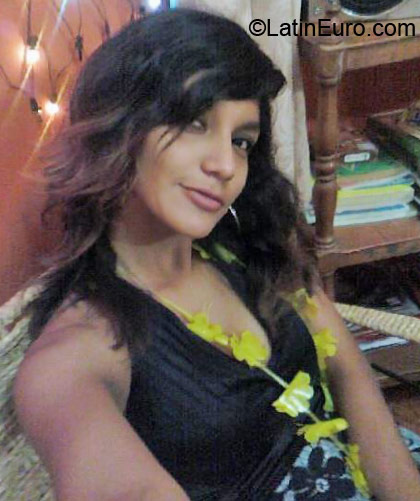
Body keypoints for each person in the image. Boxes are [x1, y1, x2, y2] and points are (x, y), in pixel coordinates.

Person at [12, 8, 420, 501]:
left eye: (241, 141)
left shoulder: (250, 246)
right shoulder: (77, 351)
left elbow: (348, 370)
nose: (226, 164)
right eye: (193, 123)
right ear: (119, 126)